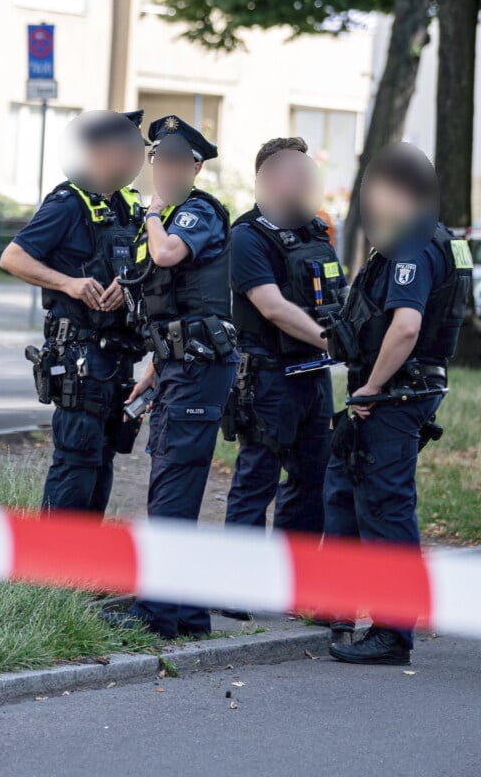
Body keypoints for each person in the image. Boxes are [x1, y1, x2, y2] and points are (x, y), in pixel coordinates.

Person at [322, 143, 473, 665]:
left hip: (394, 391)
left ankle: (392, 632)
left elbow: (406, 326)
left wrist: (368, 389)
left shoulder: (412, 246)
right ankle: (338, 604)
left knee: (386, 507)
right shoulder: (440, 239)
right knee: (345, 488)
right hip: (399, 389)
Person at [101, 115, 236, 639]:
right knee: (170, 483)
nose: (165, 169)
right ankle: (184, 612)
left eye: (178, 161)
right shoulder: (172, 215)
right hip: (180, 365)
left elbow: (166, 254)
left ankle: (160, 614)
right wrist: (154, 371)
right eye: (160, 159)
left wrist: (154, 214)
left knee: (174, 486)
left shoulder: (193, 213)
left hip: (200, 368)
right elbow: (173, 304)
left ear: (196, 167)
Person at [0, 110, 148, 515]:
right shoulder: (68, 203)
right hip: (80, 356)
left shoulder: (128, 206)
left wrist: (131, 285)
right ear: (99, 152)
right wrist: (68, 284)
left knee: (101, 461)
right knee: (76, 462)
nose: (138, 160)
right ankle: (52, 566)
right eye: (130, 151)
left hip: (117, 357)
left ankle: (85, 566)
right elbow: (13, 257)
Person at [223, 139, 347, 539]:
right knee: (256, 481)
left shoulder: (315, 232)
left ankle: (293, 582)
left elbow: (337, 298)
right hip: (268, 379)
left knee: (314, 479)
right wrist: (335, 342)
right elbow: (272, 307)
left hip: (313, 377)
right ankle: (238, 589)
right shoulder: (247, 236)